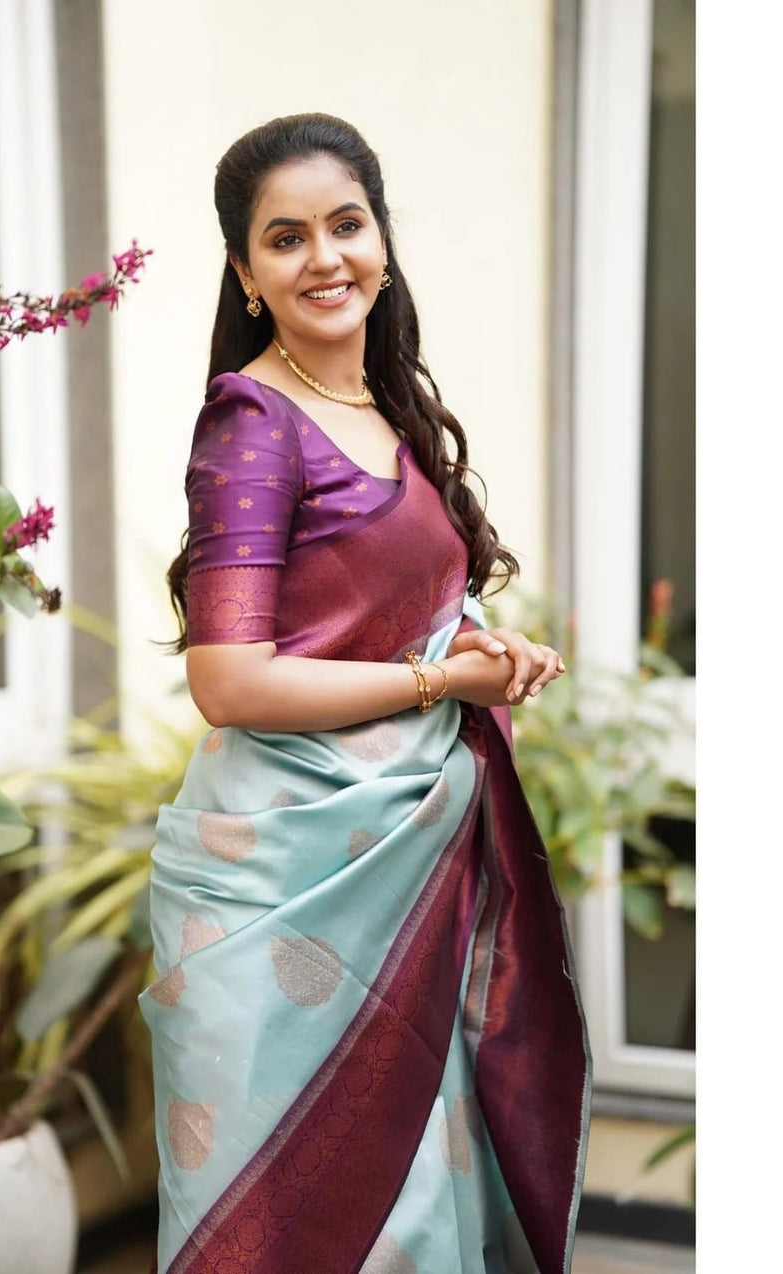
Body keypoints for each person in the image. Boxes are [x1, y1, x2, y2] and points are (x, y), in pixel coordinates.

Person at [138, 113, 591, 1274]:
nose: (324, 256)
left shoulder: (385, 407)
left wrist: (480, 642)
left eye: (345, 223)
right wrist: (440, 677)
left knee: (423, 1198)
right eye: (285, 238)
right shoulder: (252, 422)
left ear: (382, 238)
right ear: (245, 274)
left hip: (410, 864)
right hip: (289, 880)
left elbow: (384, 611)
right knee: (309, 1220)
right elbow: (228, 678)